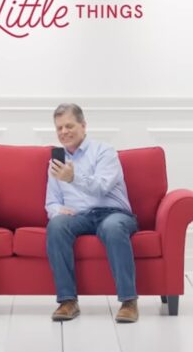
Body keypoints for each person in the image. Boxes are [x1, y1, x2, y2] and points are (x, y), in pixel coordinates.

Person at [45, 103, 139, 323]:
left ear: (83, 126)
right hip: (80, 216)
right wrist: (58, 210)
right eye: (59, 128)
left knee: (112, 227)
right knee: (57, 226)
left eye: (69, 126)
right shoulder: (56, 163)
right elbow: (51, 202)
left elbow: (102, 187)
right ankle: (67, 301)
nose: (64, 132)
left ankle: (128, 301)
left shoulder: (104, 151)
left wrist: (73, 178)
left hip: (114, 213)